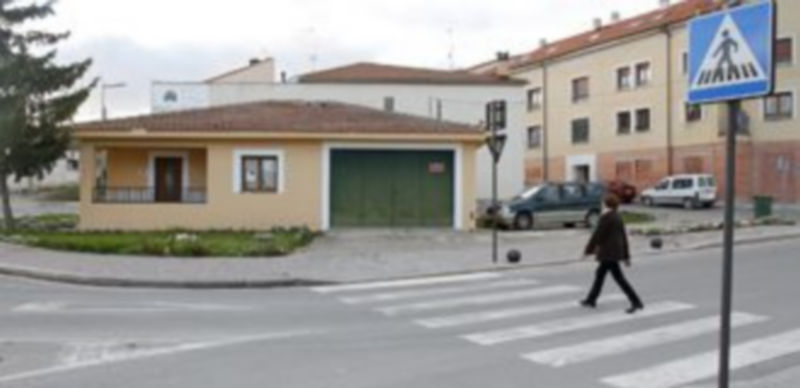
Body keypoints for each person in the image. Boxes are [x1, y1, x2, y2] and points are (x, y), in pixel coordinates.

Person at [580, 194, 644, 314]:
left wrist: (587, 251)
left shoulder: (607, 217)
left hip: (608, 254)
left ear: (606, 204)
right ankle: (591, 299)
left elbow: (597, 236)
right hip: (614, 253)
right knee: (600, 274)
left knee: (619, 279)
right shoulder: (617, 216)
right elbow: (623, 238)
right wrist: (626, 256)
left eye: (602, 202)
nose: (601, 204)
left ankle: (636, 302)